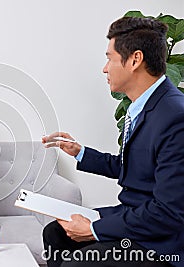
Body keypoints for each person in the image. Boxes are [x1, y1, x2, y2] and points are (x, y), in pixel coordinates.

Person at [42, 17, 184, 267]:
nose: (105, 68)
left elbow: (168, 213)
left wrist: (94, 229)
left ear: (135, 60)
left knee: (79, 263)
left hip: (161, 243)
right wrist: (80, 152)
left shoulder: (174, 116)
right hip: (135, 216)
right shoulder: (142, 106)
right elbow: (134, 169)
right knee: (55, 233)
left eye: (110, 58)